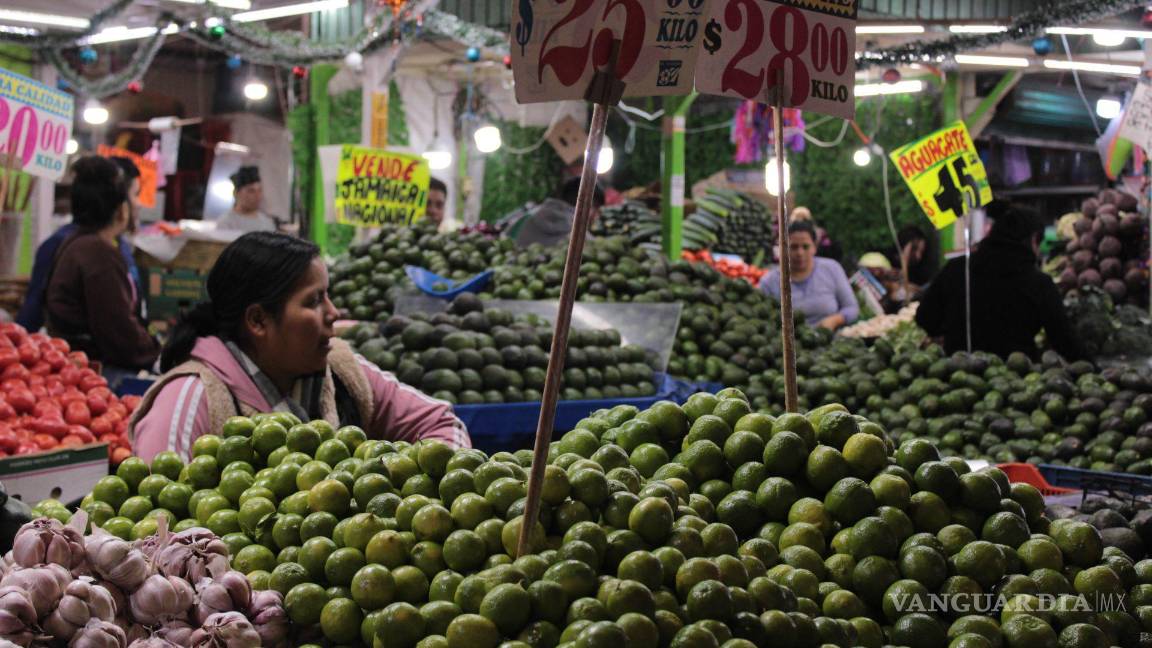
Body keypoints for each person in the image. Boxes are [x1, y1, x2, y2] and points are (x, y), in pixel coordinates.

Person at [129, 231, 469, 461]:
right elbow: (154, 524)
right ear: (258, 320)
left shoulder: (342, 371)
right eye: (314, 300)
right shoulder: (191, 399)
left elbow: (442, 423)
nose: (334, 313)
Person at [915, 201, 1081, 360]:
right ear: (1033, 239)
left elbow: (925, 318)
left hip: (958, 374)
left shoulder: (957, 269)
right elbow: (1064, 340)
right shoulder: (1039, 283)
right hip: (1017, 376)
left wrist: (955, 331)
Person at [44, 156, 160, 378]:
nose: (138, 204)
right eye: (134, 196)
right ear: (121, 210)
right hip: (98, 372)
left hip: (81, 367)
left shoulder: (78, 243)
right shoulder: (98, 253)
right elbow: (119, 333)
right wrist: (157, 352)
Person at [17, 157, 143, 331]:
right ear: (121, 206)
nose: (139, 203)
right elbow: (31, 317)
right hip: (84, 348)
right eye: (135, 194)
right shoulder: (71, 247)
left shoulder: (119, 246)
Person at [760, 221, 859, 330]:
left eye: (805, 246)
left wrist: (835, 320)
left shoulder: (832, 269)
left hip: (831, 337)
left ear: (814, 247)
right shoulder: (770, 282)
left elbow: (851, 307)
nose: (800, 253)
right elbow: (761, 319)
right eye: (793, 247)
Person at [512, 177, 605, 248]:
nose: (596, 216)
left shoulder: (532, 218)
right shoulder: (580, 237)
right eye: (596, 209)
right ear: (588, 204)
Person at [217, 166, 277, 232]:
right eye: (251, 191)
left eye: (260, 190)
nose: (257, 196)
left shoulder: (267, 222)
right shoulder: (226, 223)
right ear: (237, 193)